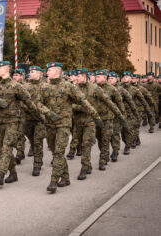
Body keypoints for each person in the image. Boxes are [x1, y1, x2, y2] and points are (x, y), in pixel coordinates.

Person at [39, 62, 102, 193]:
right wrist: (47, 112)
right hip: (50, 124)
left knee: (59, 152)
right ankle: (66, 177)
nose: (47, 72)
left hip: (64, 124)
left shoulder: (68, 86)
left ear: (57, 71)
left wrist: (96, 116)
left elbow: (83, 101)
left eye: (49, 70)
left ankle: (53, 181)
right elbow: (37, 103)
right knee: (53, 149)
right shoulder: (44, 87)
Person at [0, 61, 51, 186]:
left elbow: (29, 102)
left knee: (7, 147)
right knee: (3, 148)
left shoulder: (17, 86)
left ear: (6, 69)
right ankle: (13, 173)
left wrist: (39, 116)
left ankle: (0, 174)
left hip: (12, 121)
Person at [73, 69, 123, 180]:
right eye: (96, 76)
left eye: (79, 76)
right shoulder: (74, 89)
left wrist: (121, 116)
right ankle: (88, 164)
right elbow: (70, 104)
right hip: (83, 120)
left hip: (101, 119)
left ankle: (101, 161)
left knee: (102, 140)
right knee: (84, 144)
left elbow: (110, 103)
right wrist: (80, 108)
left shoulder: (95, 89)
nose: (76, 78)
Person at [22, 66, 47, 176]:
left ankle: (37, 164)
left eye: (32, 72)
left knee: (37, 141)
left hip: (40, 119)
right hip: (28, 118)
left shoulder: (46, 87)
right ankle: (37, 157)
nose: (30, 73)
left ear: (39, 74)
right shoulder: (26, 87)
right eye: (30, 71)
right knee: (32, 140)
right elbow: (21, 102)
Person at [12, 68, 27, 164]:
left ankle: (19, 153)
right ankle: (20, 151)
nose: (14, 77)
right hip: (13, 114)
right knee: (15, 134)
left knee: (20, 134)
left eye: (17, 75)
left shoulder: (26, 86)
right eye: (13, 75)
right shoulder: (11, 86)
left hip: (23, 114)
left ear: (21, 76)